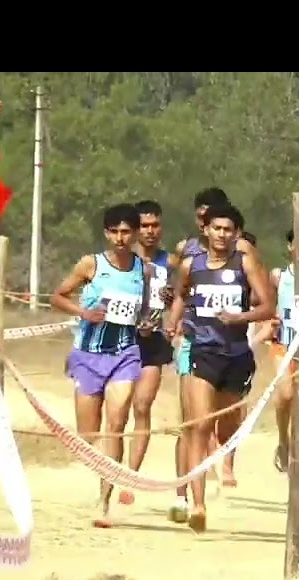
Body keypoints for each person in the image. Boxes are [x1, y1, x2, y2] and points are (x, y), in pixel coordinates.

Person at [166, 203, 275, 533]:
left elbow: (268, 304)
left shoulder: (245, 263)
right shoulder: (190, 265)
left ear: (236, 234)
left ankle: (222, 468)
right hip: (202, 350)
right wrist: (174, 322)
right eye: (217, 229)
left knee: (225, 430)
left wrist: (240, 317)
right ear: (206, 231)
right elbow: (182, 296)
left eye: (229, 230)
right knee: (199, 427)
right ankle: (197, 505)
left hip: (237, 354)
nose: (222, 235)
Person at [49, 204, 154, 529]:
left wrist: (151, 321)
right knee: (87, 436)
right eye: (115, 232)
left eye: (126, 232)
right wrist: (83, 313)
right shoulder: (90, 264)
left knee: (117, 422)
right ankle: (100, 468)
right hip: (89, 354)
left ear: (135, 234)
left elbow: (156, 302)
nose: (121, 238)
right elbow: (58, 296)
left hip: (125, 352)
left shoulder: (145, 270)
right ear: (107, 233)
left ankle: (105, 501)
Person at [111, 200, 181, 510]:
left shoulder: (172, 262)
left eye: (156, 225)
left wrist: (174, 306)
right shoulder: (126, 260)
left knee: (142, 404)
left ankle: (130, 476)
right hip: (122, 338)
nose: (151, 231)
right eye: (146, 226)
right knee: (119, 408)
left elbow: (183, 295)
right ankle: (111, 468)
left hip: (154, 341)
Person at [254, 227, 299, 473]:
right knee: (285, 394)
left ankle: (297, 459)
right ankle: (283, 440)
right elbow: (267, 304)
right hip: (284, 346)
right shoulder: (278, 276)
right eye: (297, 243)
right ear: (289, 246)